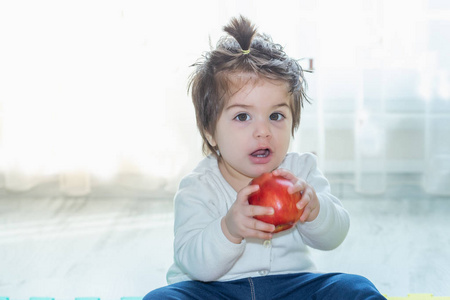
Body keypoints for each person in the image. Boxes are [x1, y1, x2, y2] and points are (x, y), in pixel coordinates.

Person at [143, 16, 386, 300]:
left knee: (355, 288)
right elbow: (193, 263)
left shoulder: (300, 172)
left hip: (291, 286)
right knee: (162, 298)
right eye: (242, 116)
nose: (263, 131)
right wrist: (229, 228)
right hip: (216, 290)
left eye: (276, 115)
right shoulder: (198, 187)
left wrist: (315, 210)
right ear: (210, 132)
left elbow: (335, 236)